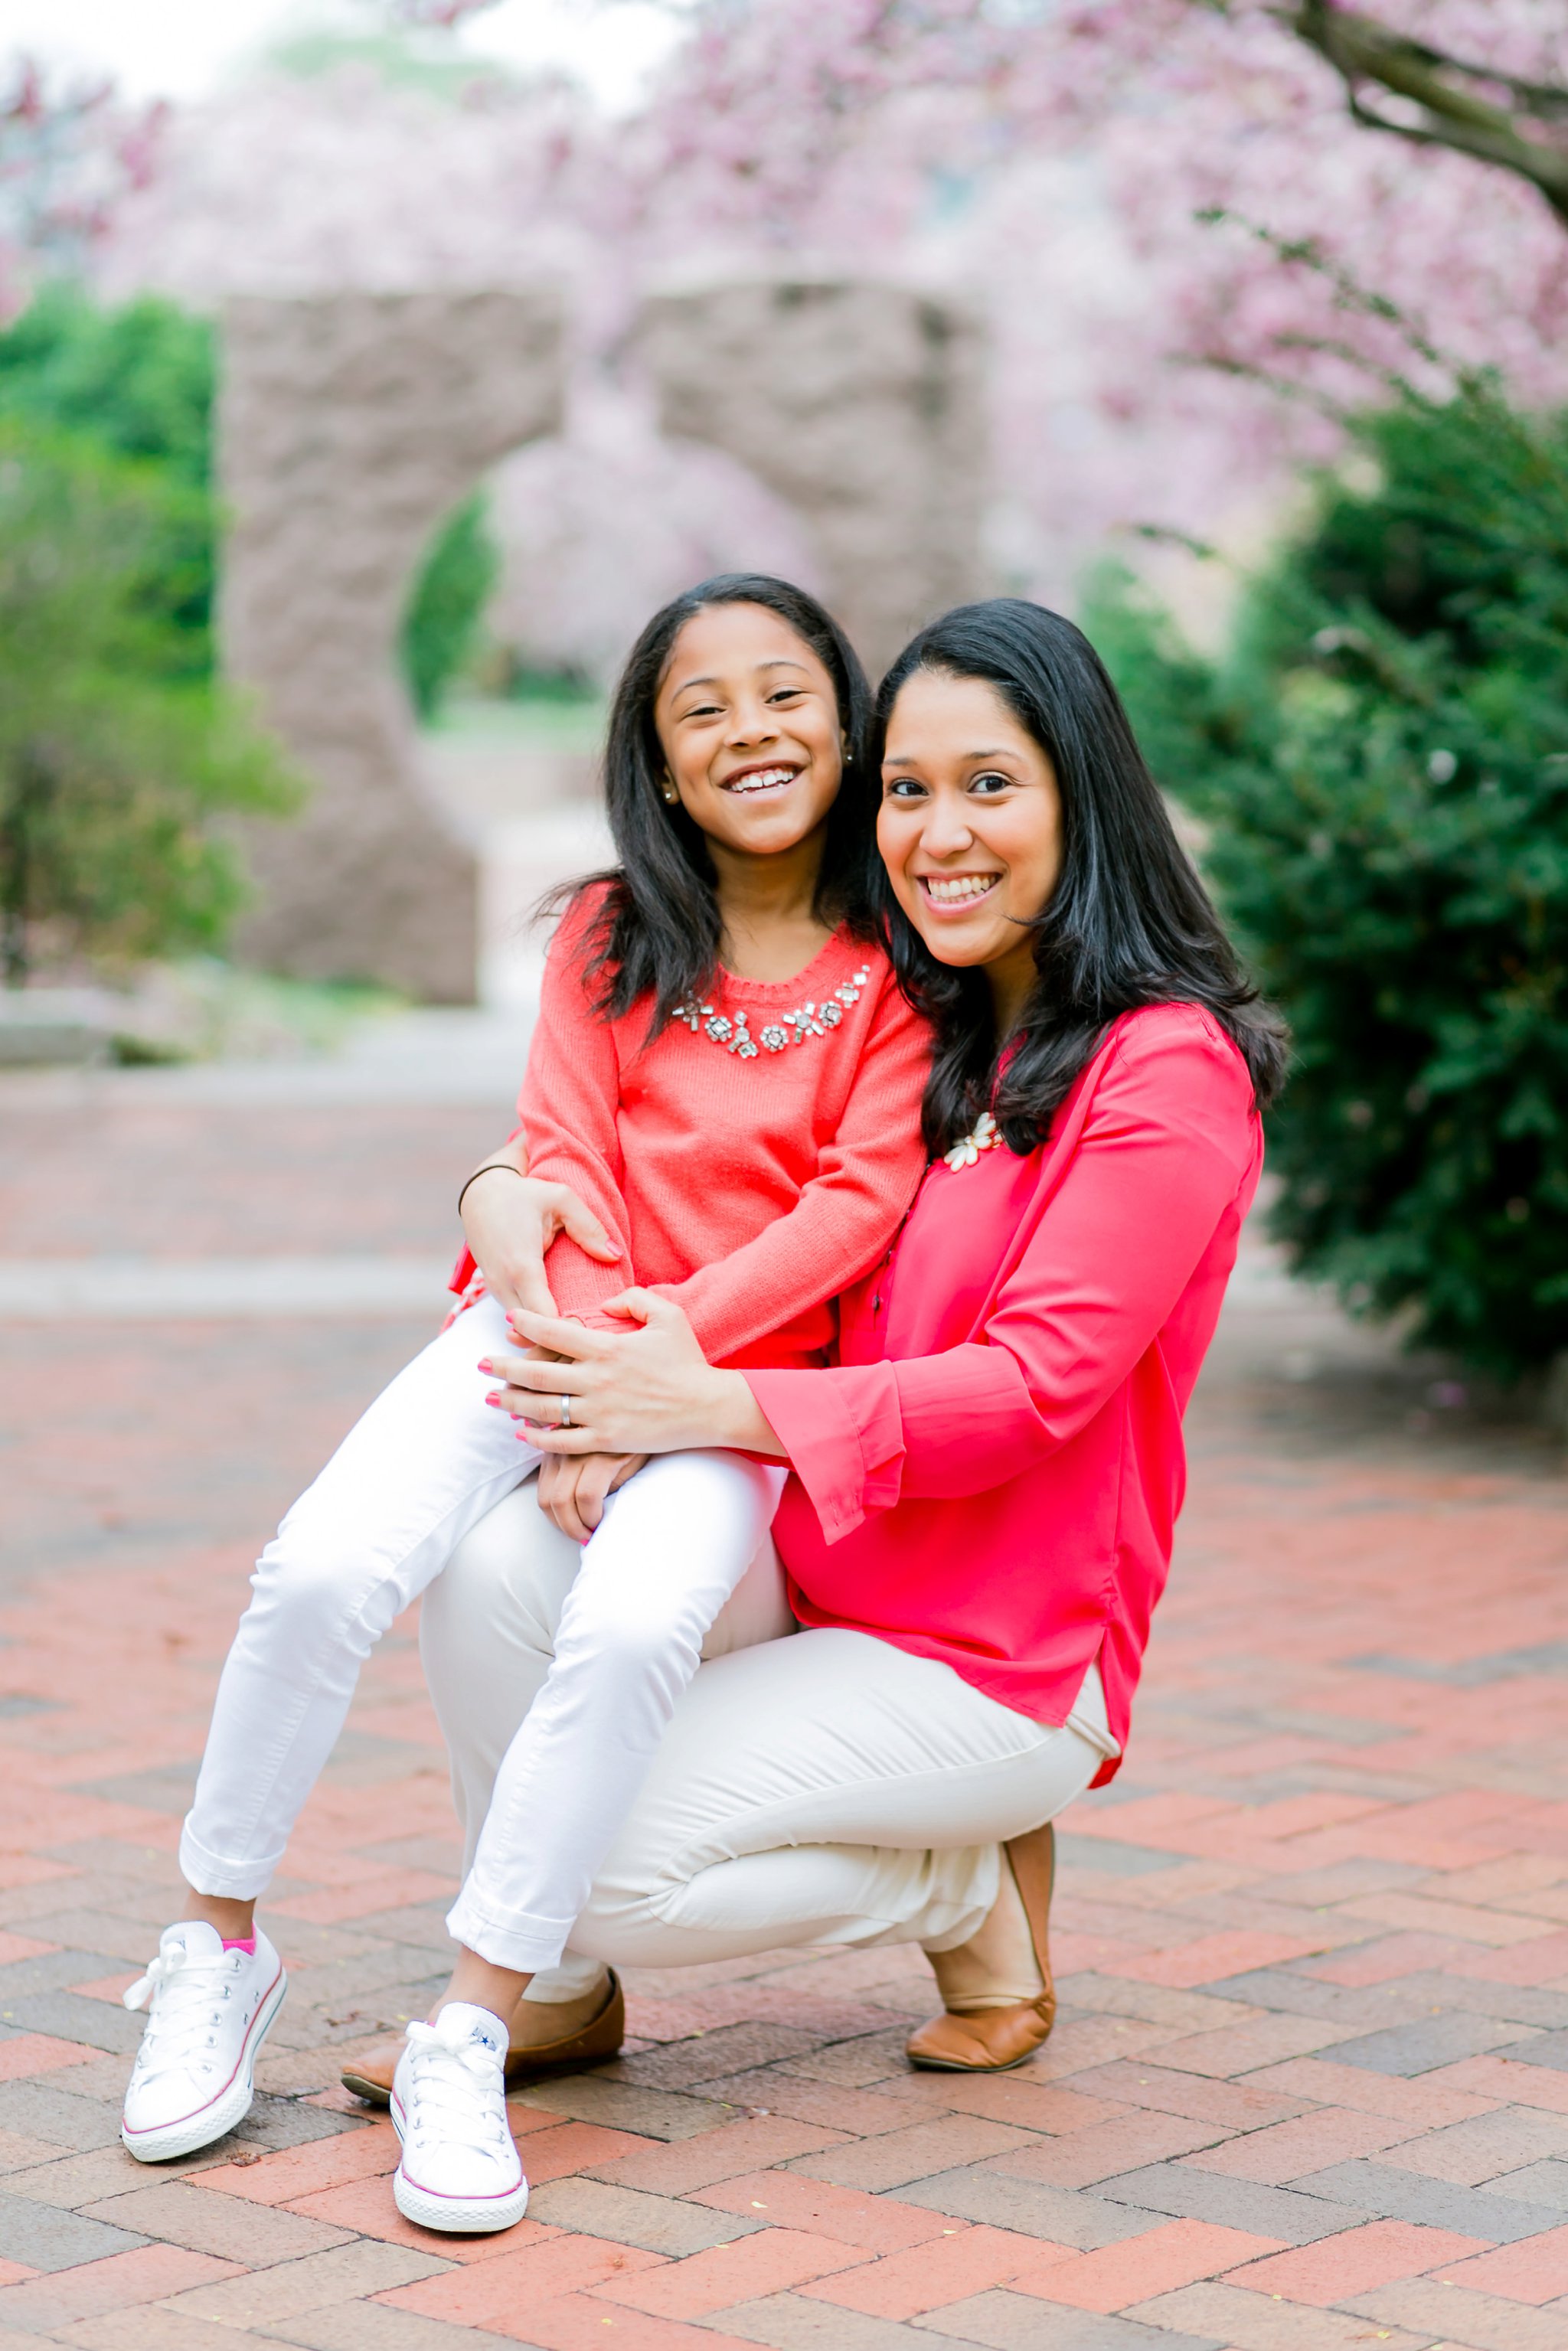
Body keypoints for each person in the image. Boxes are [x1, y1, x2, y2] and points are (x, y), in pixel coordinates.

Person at [119, 576, 933, 2238]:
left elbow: (854, 1209)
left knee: (629, 1631)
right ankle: (217, 1943)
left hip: (731, 1383)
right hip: (552, 1331)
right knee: (326, 1569)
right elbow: (557, 1151)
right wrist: (578, 1382)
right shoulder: (606, 931)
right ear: (655, 753)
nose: (748, 733)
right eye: (699, 710)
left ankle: (474, 2026)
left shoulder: (899, 962)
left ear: (845, 726)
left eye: (782, 695)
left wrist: (652, 1382)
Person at [415, 597, 1287, 2144]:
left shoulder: (1161, 1069)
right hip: (824, 1564)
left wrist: (712, 1404)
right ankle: (554, 1990)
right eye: (906, 790)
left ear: (1083, 803)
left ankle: (962, 1881)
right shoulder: (932, 1015)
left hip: (999, 1648)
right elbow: (690, 1155)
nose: (939, 833)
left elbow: (1033, 1388)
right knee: (493, 1571)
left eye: (990, 787)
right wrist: (501, 1183)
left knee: (590, 1861)